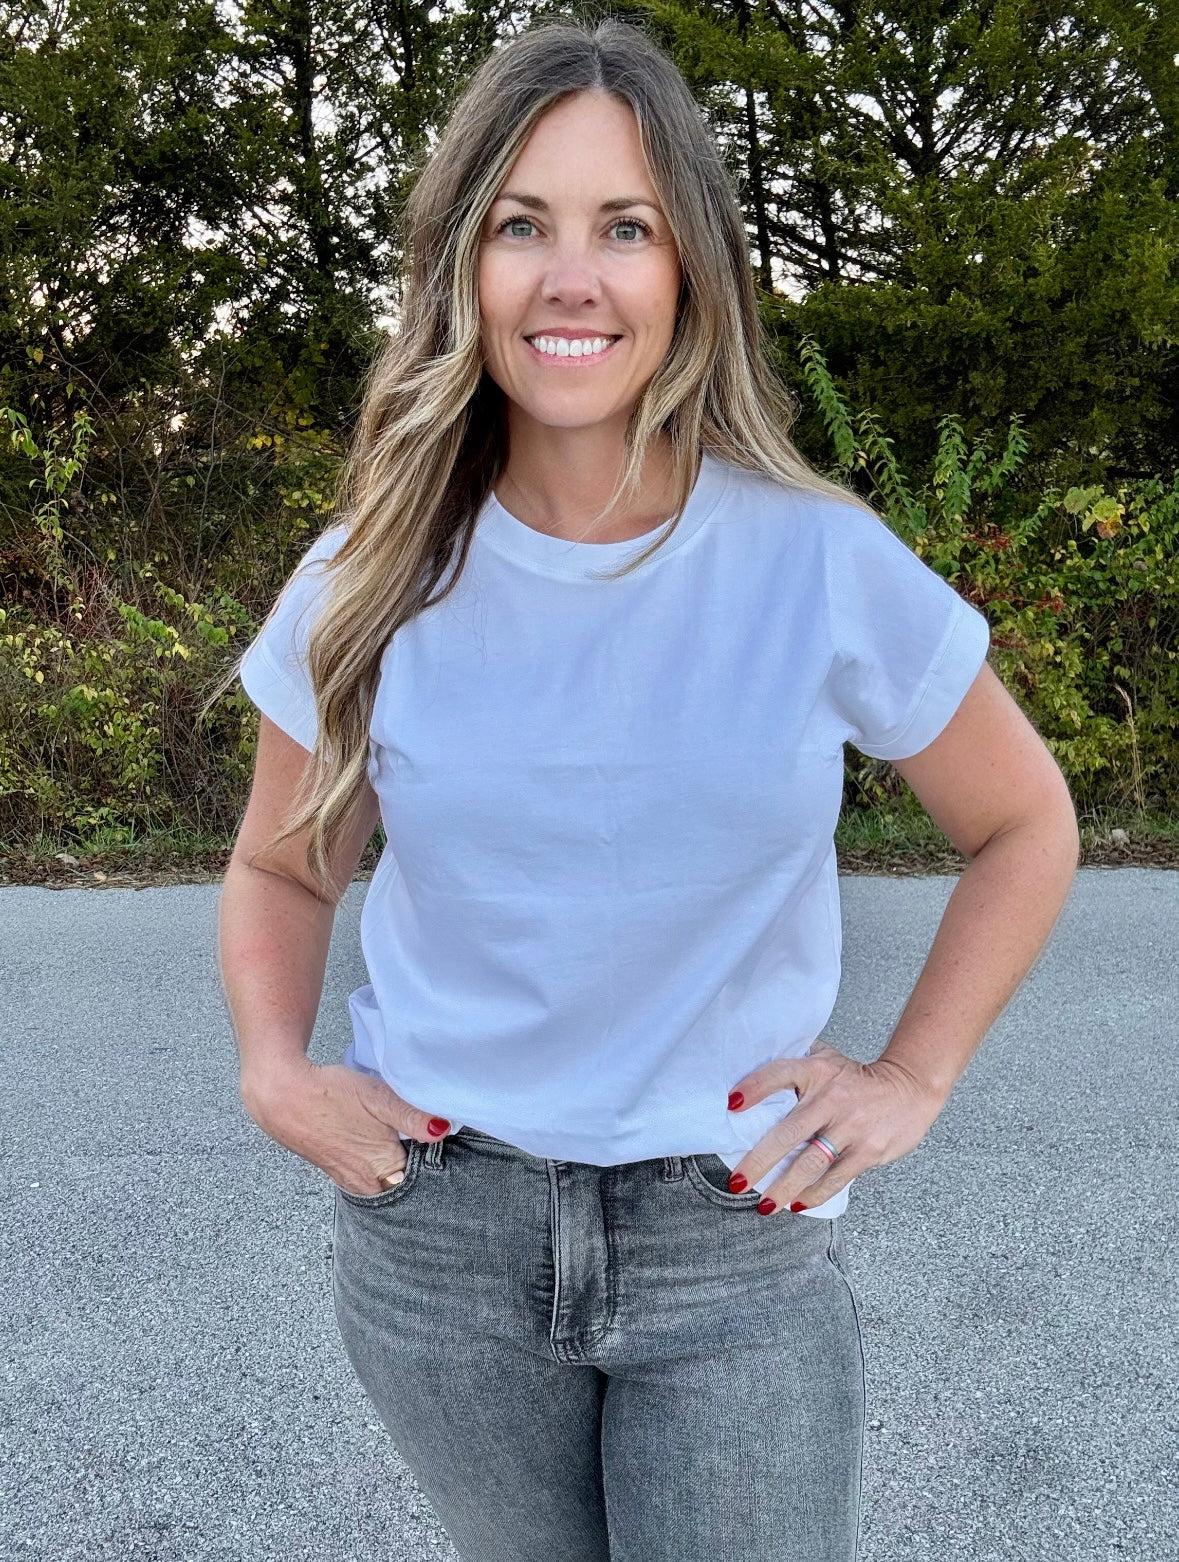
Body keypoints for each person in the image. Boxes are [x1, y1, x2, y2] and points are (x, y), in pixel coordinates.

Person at [216, 18, 1079, 1562]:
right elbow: (286, 869)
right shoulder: (372, 577)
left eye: (626, 228)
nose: (573, 278)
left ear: (689, 272)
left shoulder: (812, 560)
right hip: (442, 1233)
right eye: (522, 225)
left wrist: (913, 1076)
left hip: (730, 1238)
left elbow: (1025, 822)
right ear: (461, 266)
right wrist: (276, 1067)